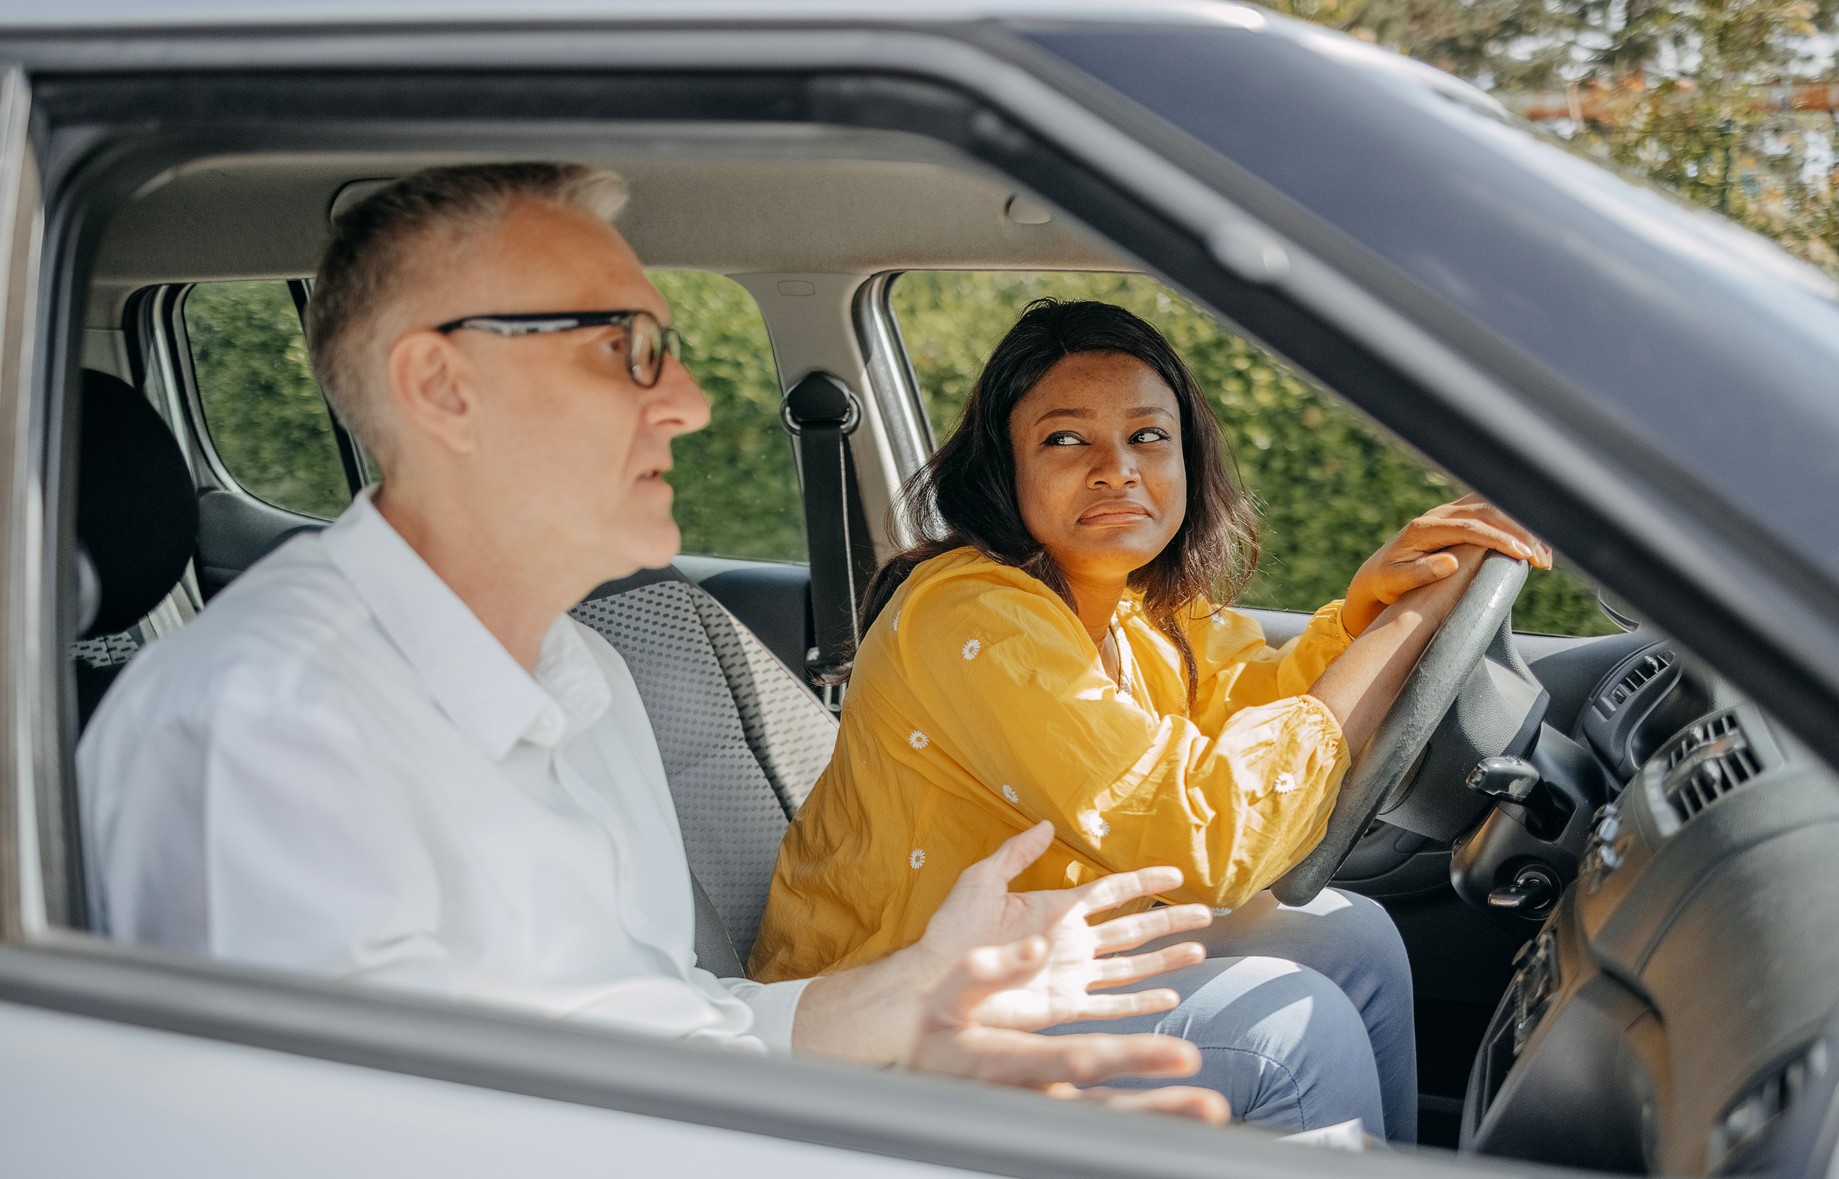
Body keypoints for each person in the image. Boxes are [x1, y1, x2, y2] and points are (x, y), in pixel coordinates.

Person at [77, 164, 1233, 1121]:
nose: (685, 401)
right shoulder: (261, 724)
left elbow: (674, 1030)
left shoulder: (588, 674)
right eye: (623, 347)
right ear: (442, 387)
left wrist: (916, 999)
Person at [752, 299, 1550, 1142]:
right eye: (1066, 439)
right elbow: (1206, 834)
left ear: (1186, 458)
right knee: (1292, 1033)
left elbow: (1249, 701)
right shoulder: (976, 618)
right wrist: (1410, 625)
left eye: (1147, 436)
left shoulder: (1131, 606)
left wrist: (1363, 617)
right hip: (886, 1013)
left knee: (1356, 936)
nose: (1116, 469)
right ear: (1002, 471)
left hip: (1028, 950)